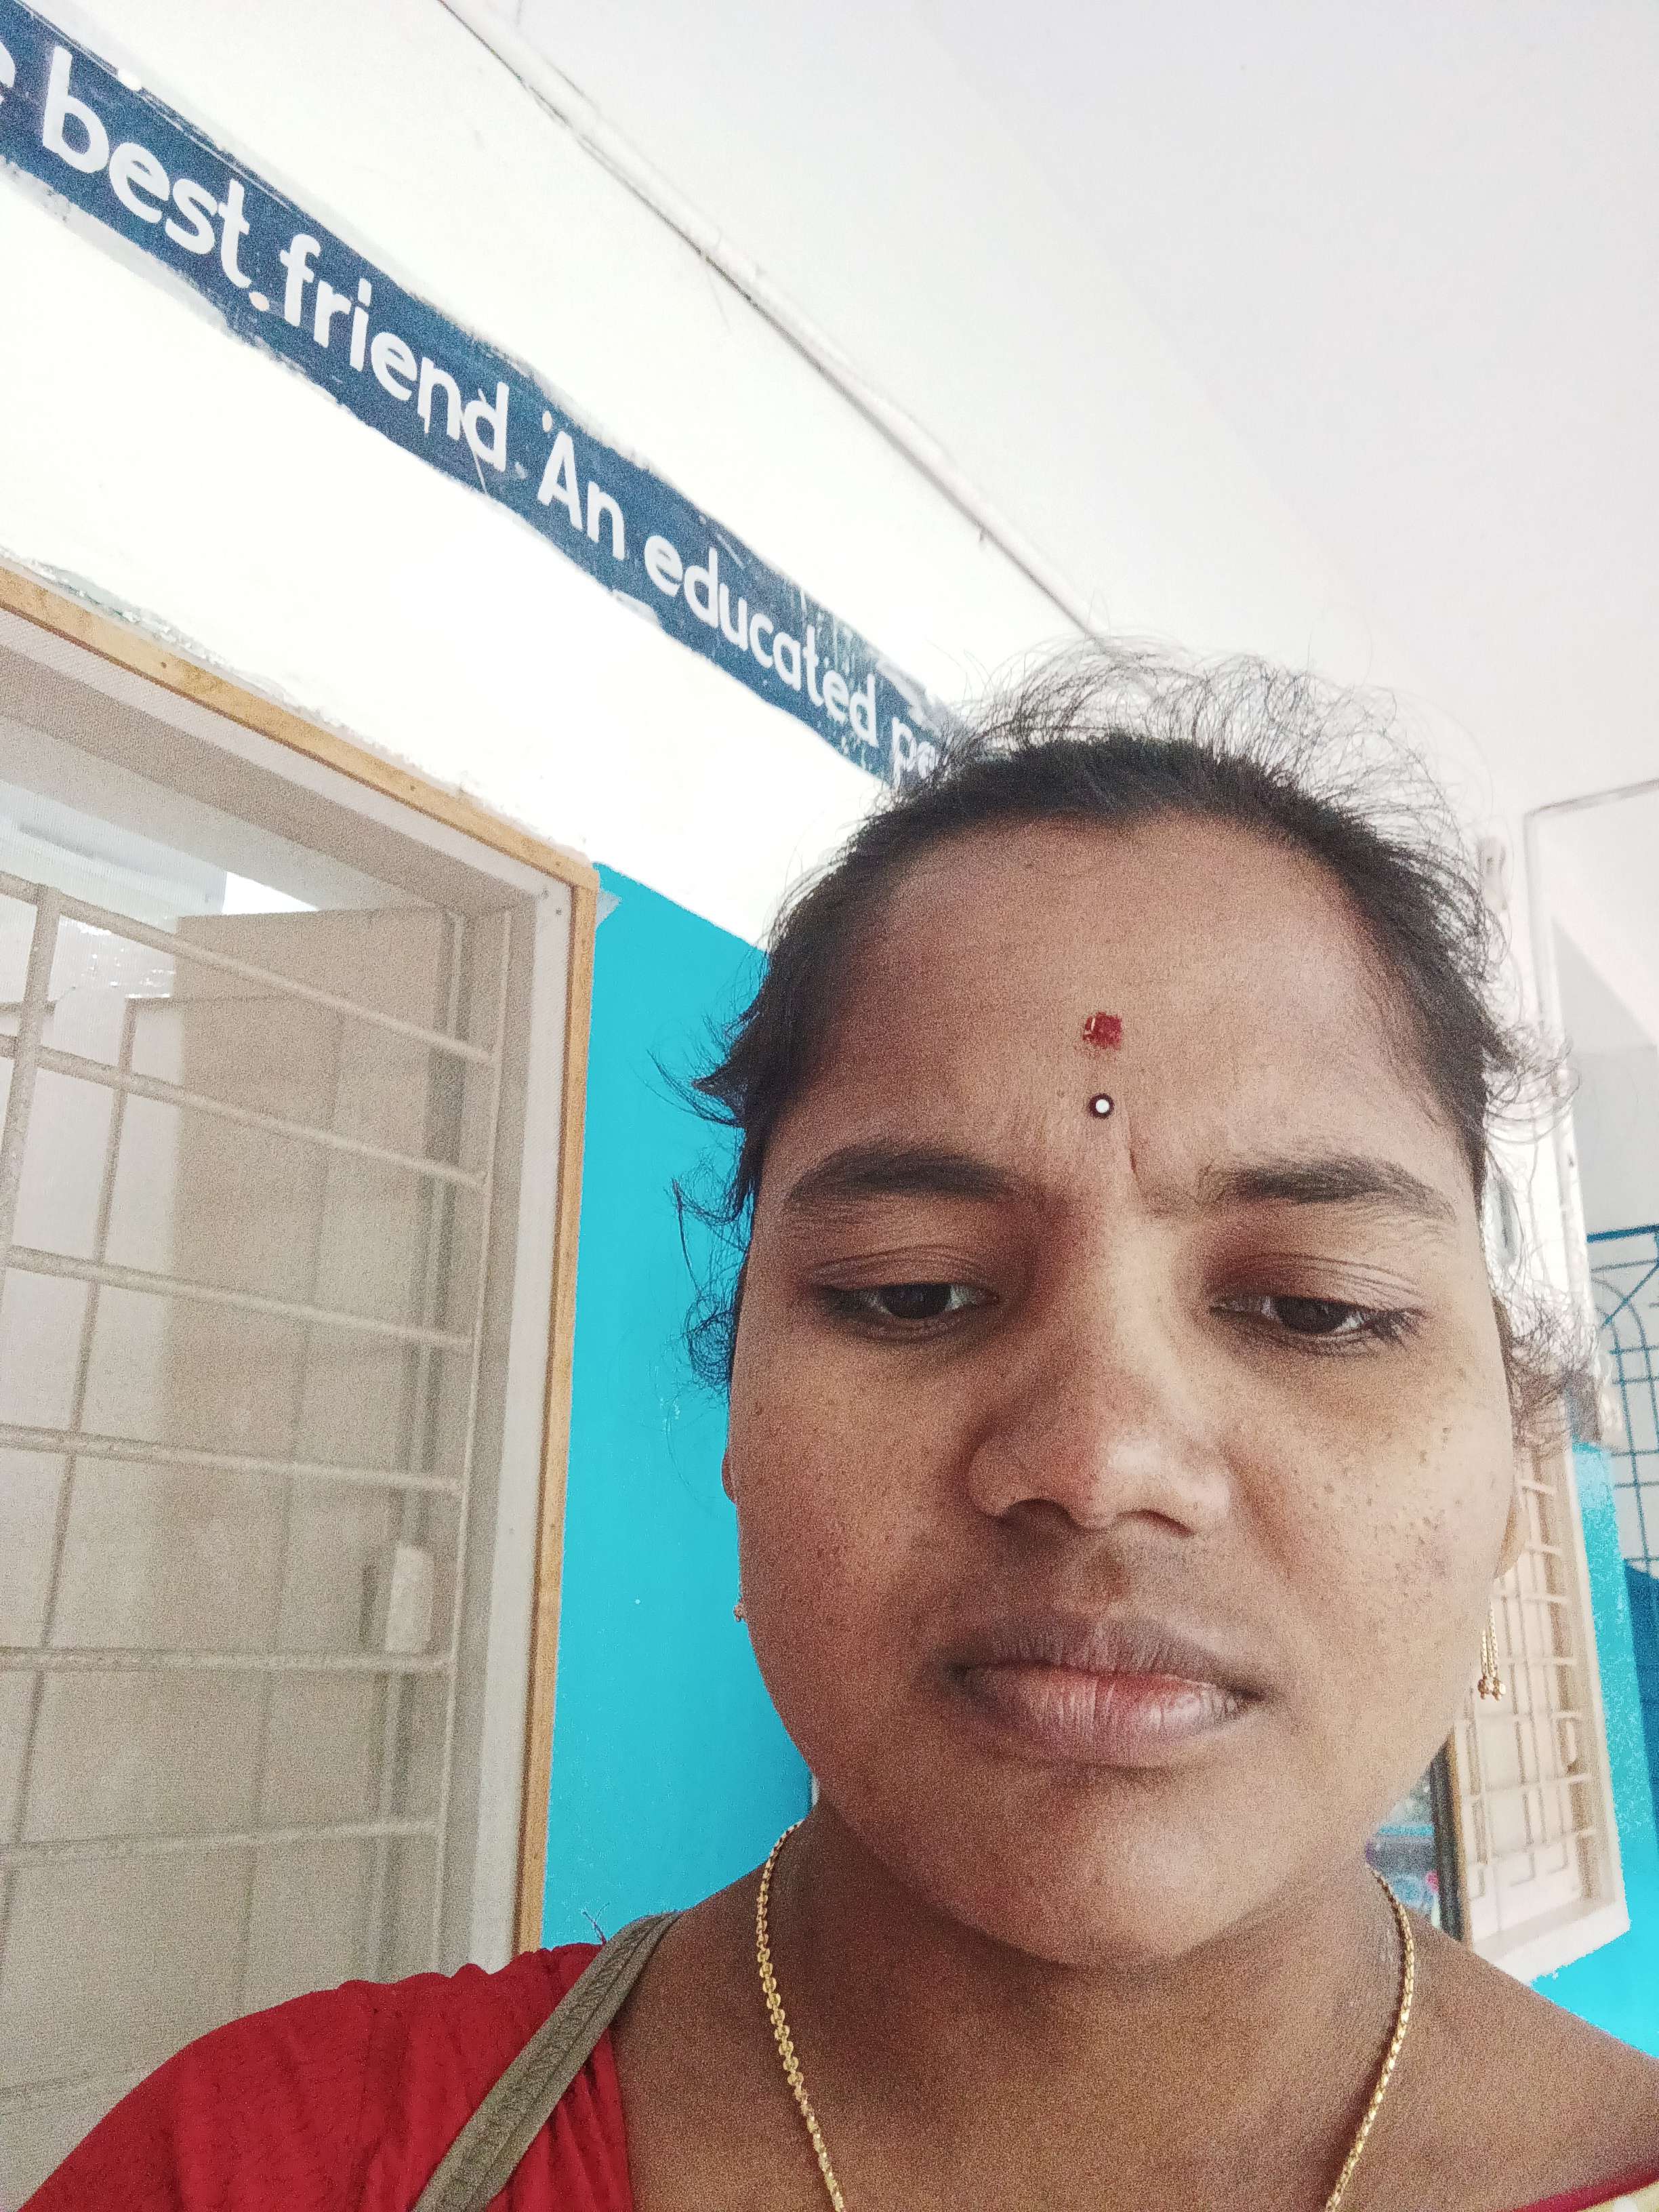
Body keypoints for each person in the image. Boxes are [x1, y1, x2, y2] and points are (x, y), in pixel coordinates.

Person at [30, 650, 1659, 2209]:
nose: (1098, 1461)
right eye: (911, 1291)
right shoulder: (265, 2170)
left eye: (1314, 1308)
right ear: (738, 1410)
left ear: (1517, 1456)